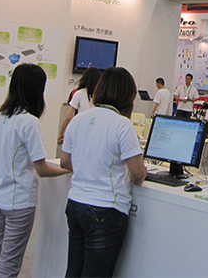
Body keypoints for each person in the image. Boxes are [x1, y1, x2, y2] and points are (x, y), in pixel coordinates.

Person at [0, 63, 70, 278]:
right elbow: (42, 169)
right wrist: (67, 169)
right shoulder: (30, 122)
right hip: (19, 202)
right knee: (9, 265)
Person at [61, 67, 147, 278]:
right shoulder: (122, 125)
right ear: (128, 96)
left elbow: (65, 162)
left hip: (75, 204)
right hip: (105, 209)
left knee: (74, 270)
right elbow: (138, 175)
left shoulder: (78, 120)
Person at [58, 67, 100, 144]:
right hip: (97, 132)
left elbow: (68, 117)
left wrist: (60, 133)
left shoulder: (79, 94)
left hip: (81, 132)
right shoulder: (100, 96)